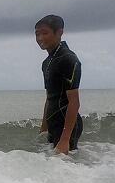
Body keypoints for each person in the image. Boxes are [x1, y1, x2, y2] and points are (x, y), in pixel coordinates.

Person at [35, 15, 82, 154]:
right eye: (37, 34)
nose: (40, 38)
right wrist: (44, 127)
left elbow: (74, 102)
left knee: (65, 165)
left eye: (45, 33)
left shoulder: (68, 59)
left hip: (66, 126)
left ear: (59, 32)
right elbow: (50, 98)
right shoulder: (47, 63)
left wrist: (65, 139)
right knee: (52, 165)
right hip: (53, 124)